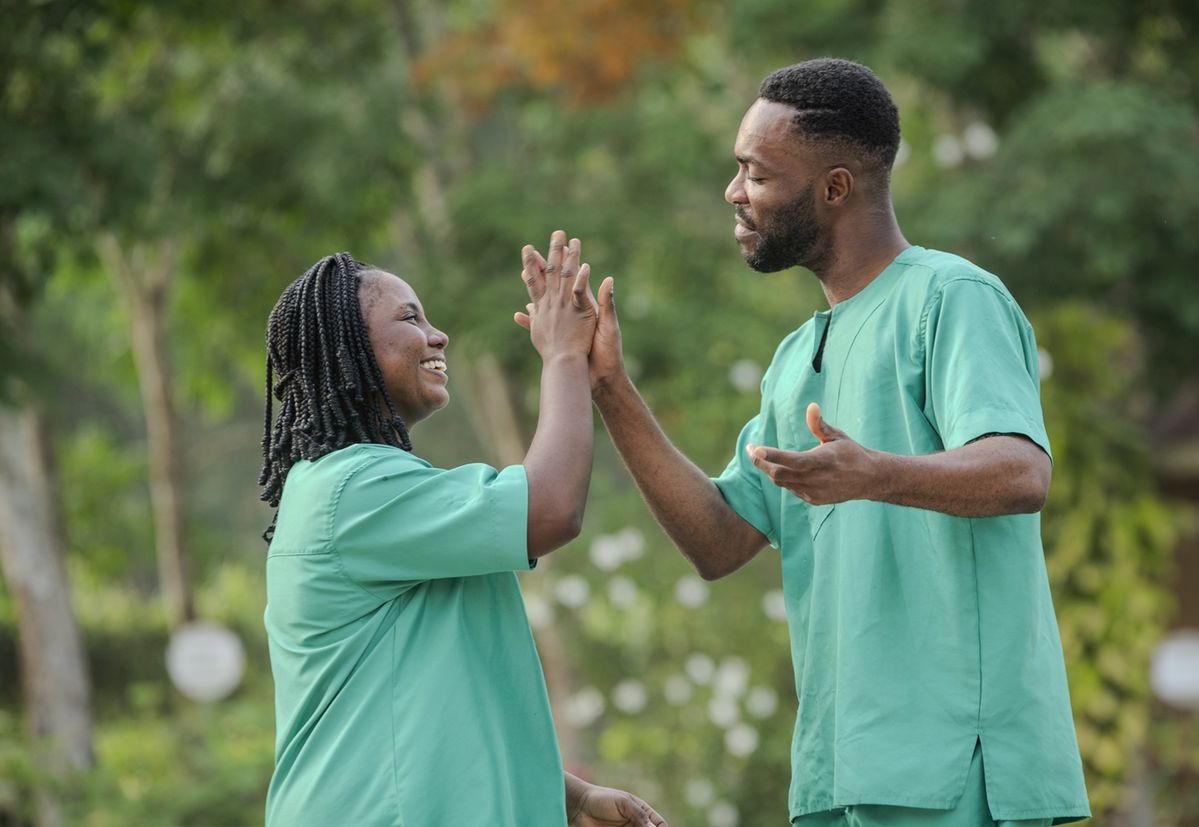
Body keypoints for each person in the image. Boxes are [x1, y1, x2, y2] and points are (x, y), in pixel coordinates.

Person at [536, 58, 1091, 826]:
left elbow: (1022, 472)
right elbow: (720, 539)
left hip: (960, 772)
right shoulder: (797, 357)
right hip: (840, 777)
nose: (734, 192)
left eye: (757, 174)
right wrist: (608, 388)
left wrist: (876, 473)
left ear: (834, 188)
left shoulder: (952, 298)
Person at [259, 237, 666, 826]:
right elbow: (550, 509)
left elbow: (435, 697)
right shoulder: (354, 490)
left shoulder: (369, 493)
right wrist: (560, 357)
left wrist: (569, 796)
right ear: (347, 347)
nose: (438, 334)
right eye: (408, 317)